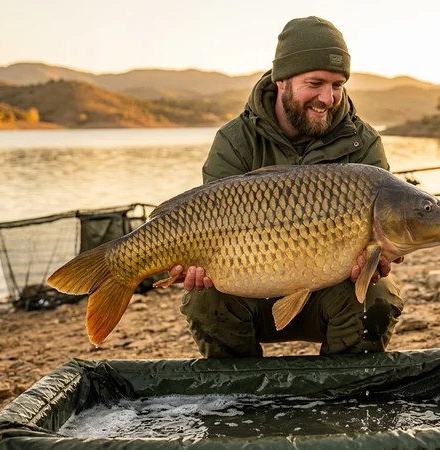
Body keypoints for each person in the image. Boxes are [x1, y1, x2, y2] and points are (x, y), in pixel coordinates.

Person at [169, 16, 404, 357]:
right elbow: (209, 225)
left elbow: (385, 230)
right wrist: (192, 266)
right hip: (248, 289)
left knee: (378, 297)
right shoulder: (235, 141)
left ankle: (345, 397)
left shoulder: (363, 143)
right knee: (204, 298)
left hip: (330, 292)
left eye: (338, 85)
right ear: (282, 80)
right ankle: (242, 400)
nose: (328, 97)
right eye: (315, 83)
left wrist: (376, 262)